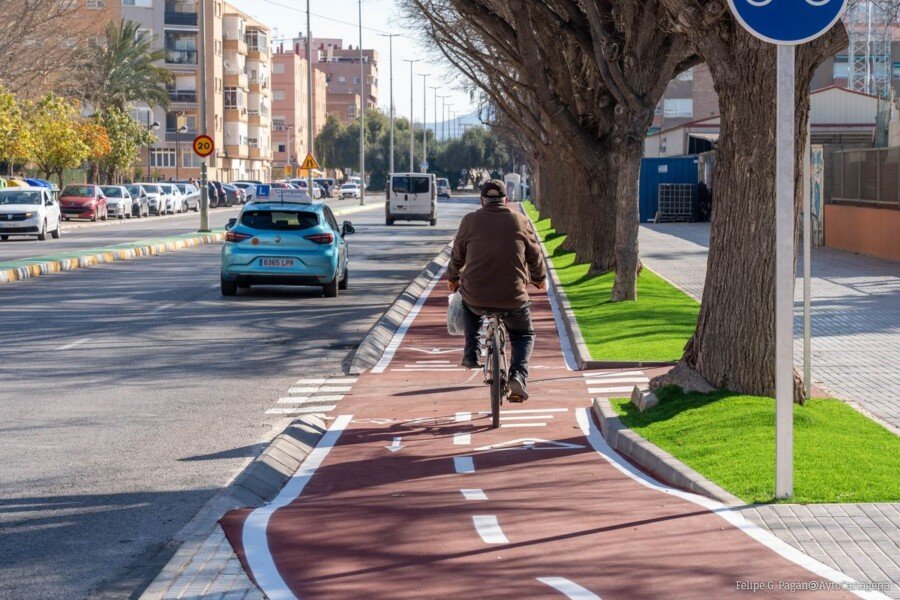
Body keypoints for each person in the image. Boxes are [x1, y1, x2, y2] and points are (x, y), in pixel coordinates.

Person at [448, 179, 547, 401]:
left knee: (468, 302)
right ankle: (518, 376)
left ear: (482, 200)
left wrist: (453, 279)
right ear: (506, 199)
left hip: (476, 296)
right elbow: (535, 256)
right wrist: (539, 279)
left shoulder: (469, 220)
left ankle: (471, 352)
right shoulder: (520, 220)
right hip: (514, 297)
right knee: (523, 334)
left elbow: (457, 256)